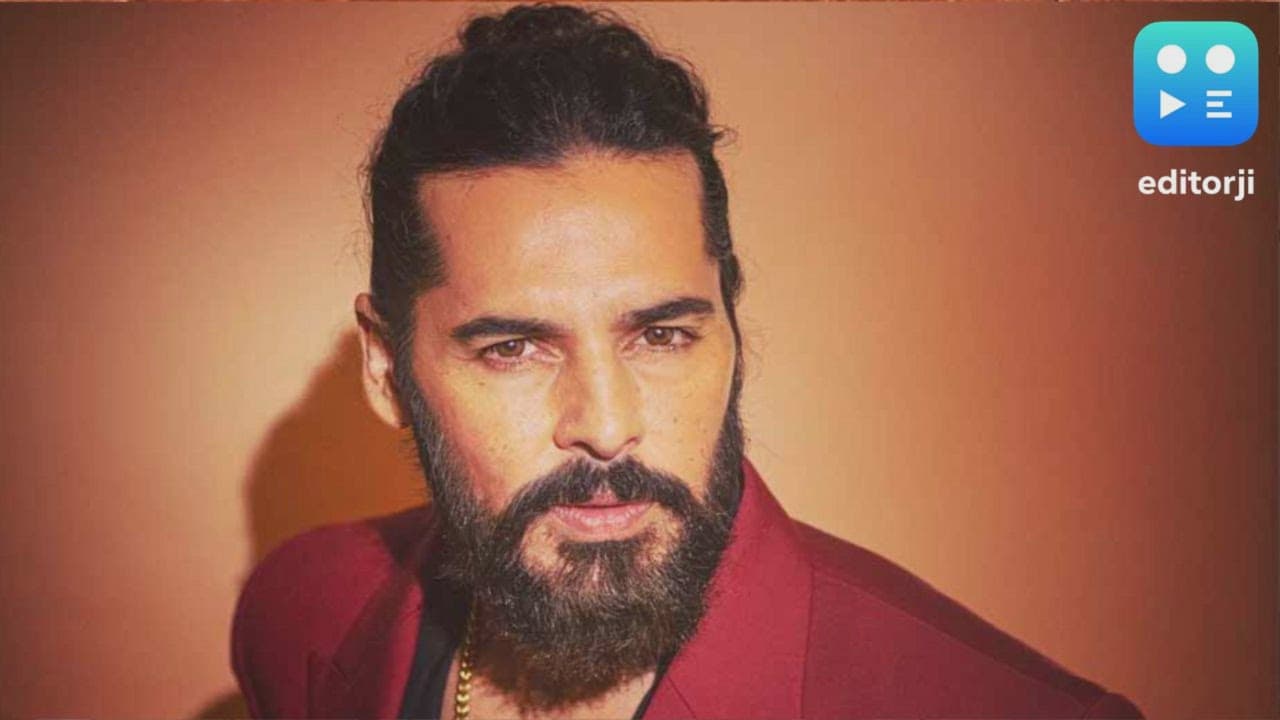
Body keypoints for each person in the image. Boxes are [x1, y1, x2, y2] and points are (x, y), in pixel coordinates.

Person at [231, 5, 1143, 718]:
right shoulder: (302, 615)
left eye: (662, 336)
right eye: (513, 348)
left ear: (731, 328)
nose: (606, 424)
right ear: (387, 369)